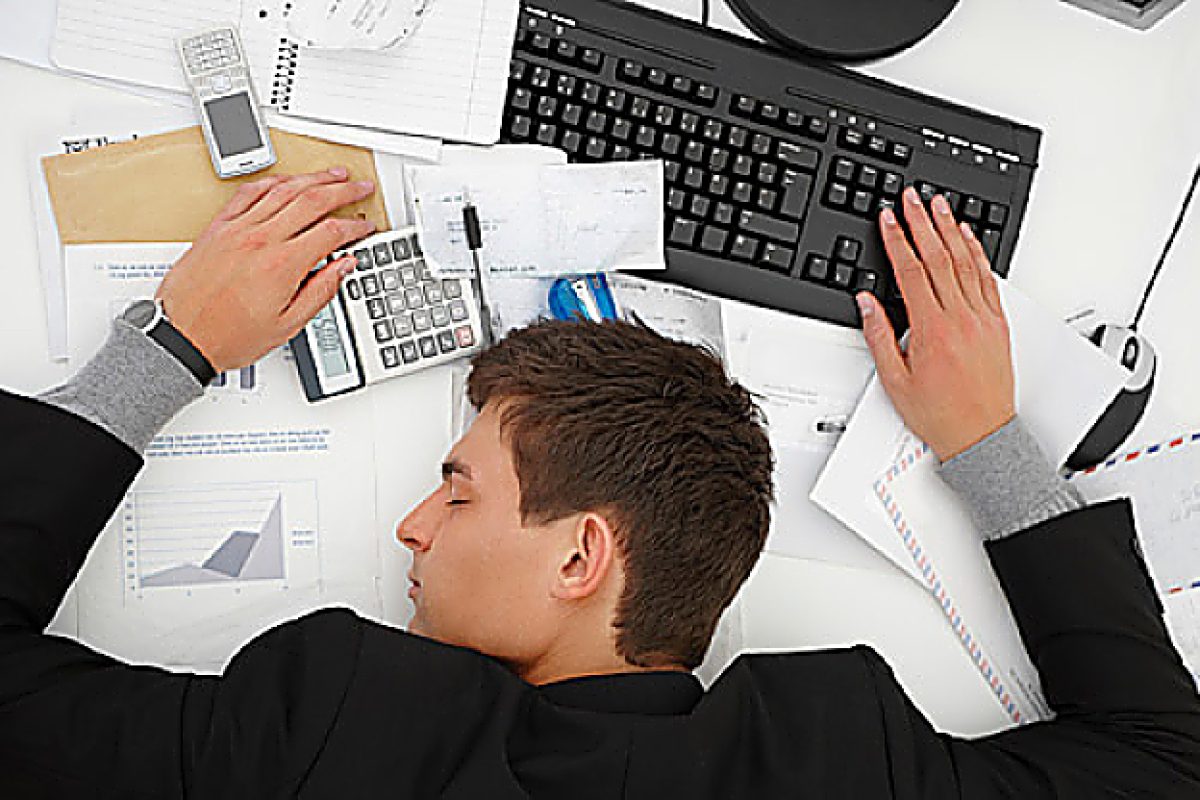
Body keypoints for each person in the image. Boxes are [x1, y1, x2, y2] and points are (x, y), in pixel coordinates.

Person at [1, 168, 1197, 799]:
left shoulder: (340, 725)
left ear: (581, 554)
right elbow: (1160, 761)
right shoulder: (841, 760)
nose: (412, 525)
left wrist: (171, 347)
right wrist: (984, 438)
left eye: (457, 490)